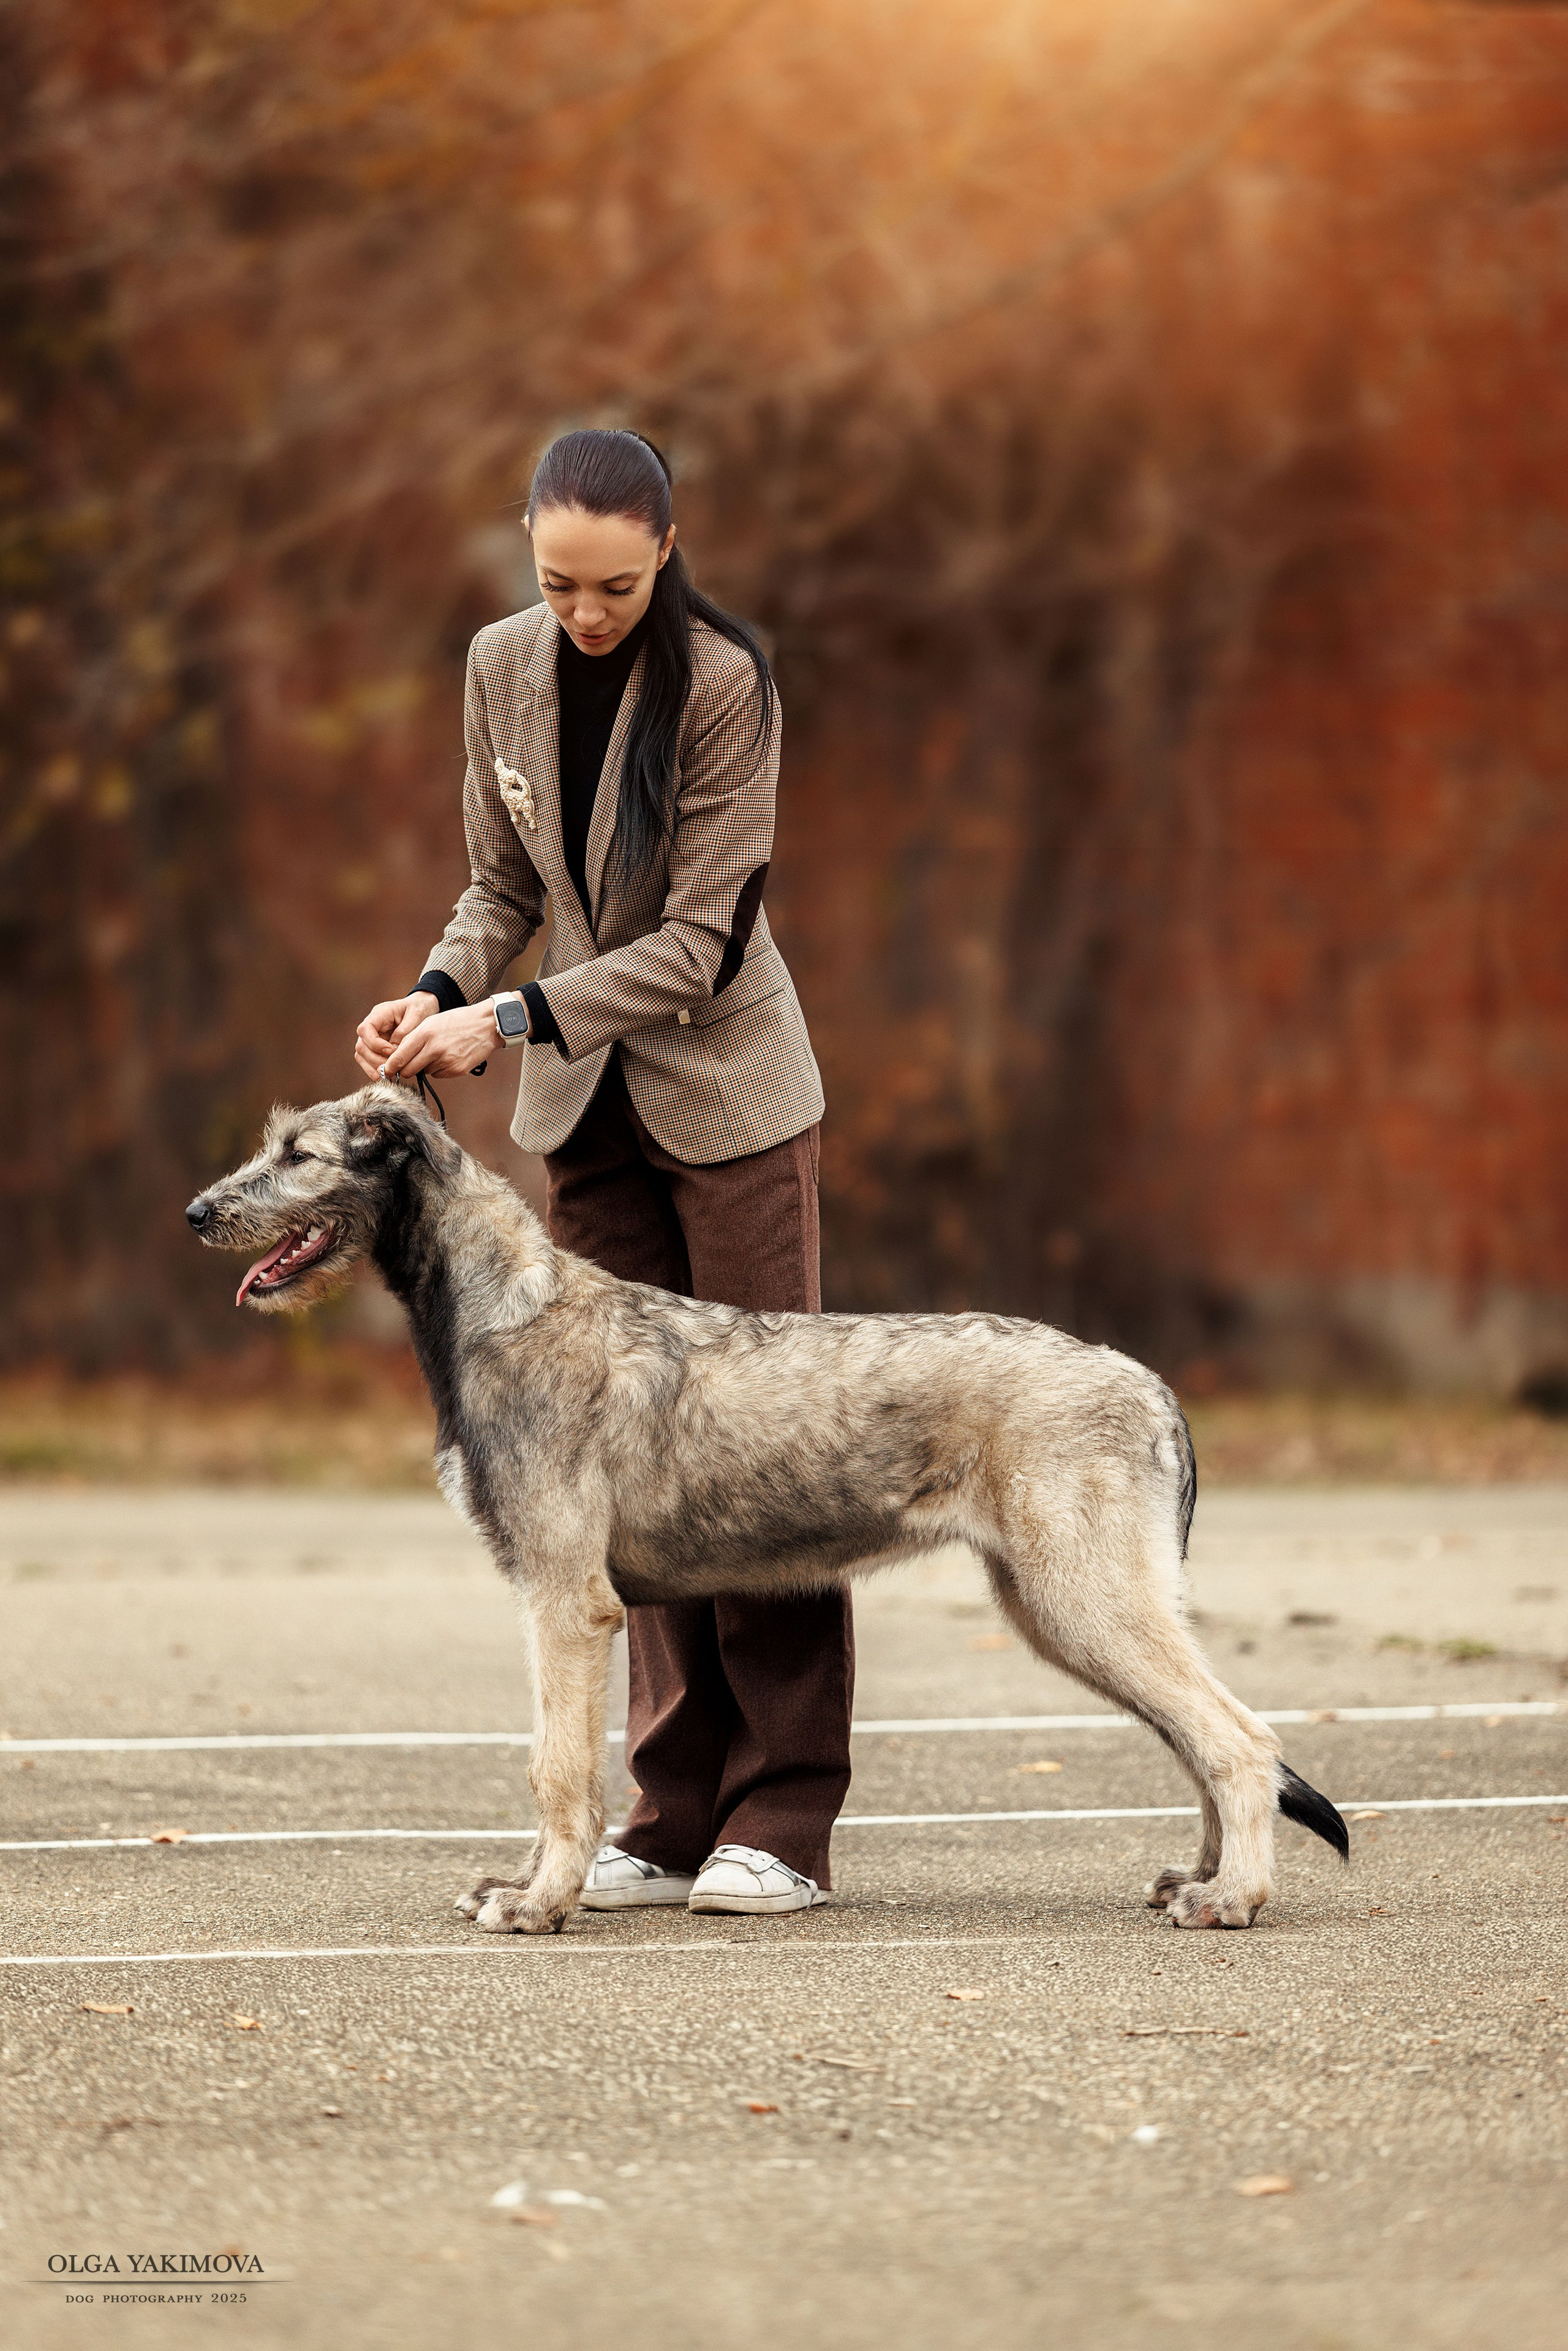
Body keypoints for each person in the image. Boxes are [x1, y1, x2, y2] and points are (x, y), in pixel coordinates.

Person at [354, 427, 853, 1916]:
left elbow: (698, 945)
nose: (582, 613)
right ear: (526, 542)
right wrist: (435, 988)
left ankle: (785, 1814)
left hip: (729, 1099)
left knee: (767, 1447)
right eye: (559, 581)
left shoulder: (723, 683)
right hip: (587, 1116)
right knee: (611, 1468)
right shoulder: (498, 662)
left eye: (615, 587)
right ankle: (669, 1807)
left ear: (667, 551)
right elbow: (501, 882)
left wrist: (506, 1017)